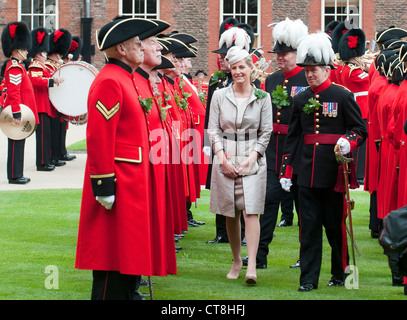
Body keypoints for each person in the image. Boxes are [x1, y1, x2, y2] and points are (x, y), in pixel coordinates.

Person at [75, 17, 176, 300]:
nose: (143, 47)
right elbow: (100, 137)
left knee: (129, 261)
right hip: (118, 185)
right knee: (112, 265)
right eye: (137, 43)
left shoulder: (126, 77)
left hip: (133, 185)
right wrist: (104, 184)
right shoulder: (109, 80)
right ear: (121, 49)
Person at [279, 32, 367, 292]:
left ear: (327, 69)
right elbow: (293, 138)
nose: (309, 75)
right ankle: (307, 279)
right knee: (308, 230)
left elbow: (359, 129)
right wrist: (287, 170)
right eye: (306, 70)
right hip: (306, 175)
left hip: (333, 174)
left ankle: (340, 273)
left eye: (314, 70)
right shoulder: (300, 98)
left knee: (335, 229)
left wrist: (347, 141)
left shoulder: (342, 96)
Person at [207, 46, 272, 285]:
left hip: (252, 156)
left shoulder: (263, 97)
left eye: (242, 67)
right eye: (233, 68)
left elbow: (266, 132)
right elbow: (213, 129)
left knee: (251, 210)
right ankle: (236, 260)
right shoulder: (219, 95)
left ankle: (251, 263)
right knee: (230, 212)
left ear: (251, 69)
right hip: (225, 154)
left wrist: (253, 157)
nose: (237, 72)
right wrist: (221, 158)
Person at [254, 18, 308, 270]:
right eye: (277, 53)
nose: (279, 58)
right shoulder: (272, 80)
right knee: (266, 205)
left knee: (304, 210)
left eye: (284, 53)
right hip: (274, 152)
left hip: (298, 152)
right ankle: (259, 255)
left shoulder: (307, 79)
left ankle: (305, 256)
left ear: (297, 53)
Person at [1, 21, 39, 184]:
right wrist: (17, 113)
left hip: (21, 110)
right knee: (16, 143)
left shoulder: (19, 66)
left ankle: (17, 173)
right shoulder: (15, 67)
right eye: (24, 49)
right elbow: (14, 93)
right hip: (17, 111)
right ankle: (15, 175)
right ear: (17, 49)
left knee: (19, 143)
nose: (27, 51)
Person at [27, 27, 64, 172]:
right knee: (42, 136)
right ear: (38, 54)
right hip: (40, 104)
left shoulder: (42, 65)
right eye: (43, 52)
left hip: (45, 103)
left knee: (47, 136)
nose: (45, 55)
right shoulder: (35, 65)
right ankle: (42, 163)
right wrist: (53, 81)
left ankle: (46, 160)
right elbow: (35, 81)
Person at [338, 28, 369, 185]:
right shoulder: (353, 70)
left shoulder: (347, 68)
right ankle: (359, 174)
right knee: (361, 147)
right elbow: (370, 80)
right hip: (361, 109)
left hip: (359, 108)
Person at [45, 28, 72, 168]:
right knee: (54, 131)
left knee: (61, 128)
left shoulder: (56, 64)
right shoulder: (48, 65)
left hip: (59, 102)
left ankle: (60, 153)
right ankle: (54, 156)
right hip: (52, 103)